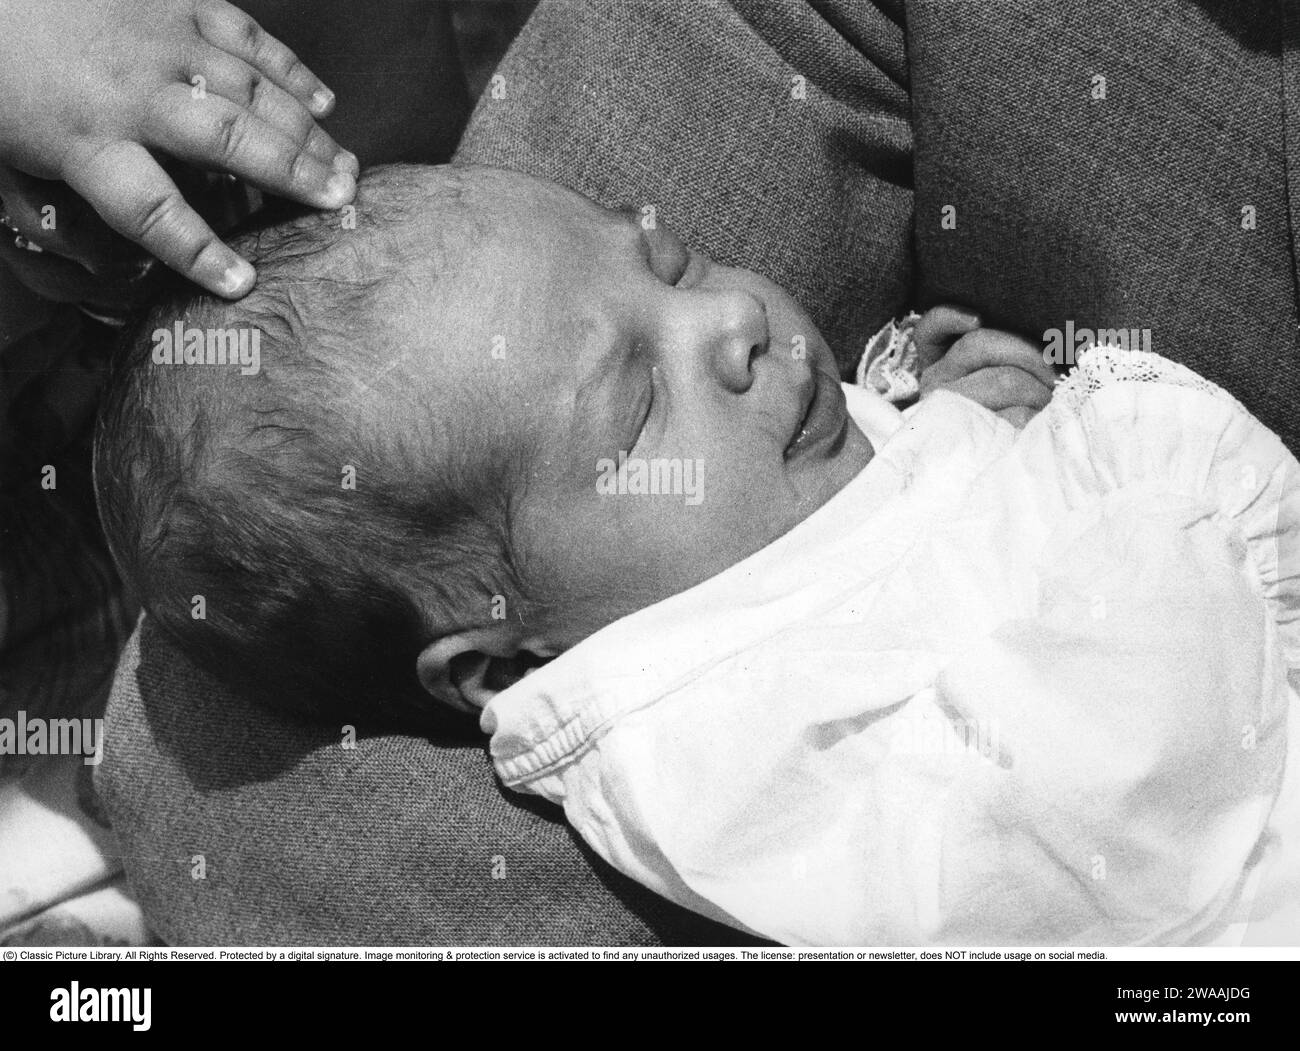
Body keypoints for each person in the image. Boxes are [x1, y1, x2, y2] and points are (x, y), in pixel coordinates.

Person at [94, 164, 1300, 944]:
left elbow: (892, 547)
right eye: (634, 410)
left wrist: (919, 407)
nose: (728, 321)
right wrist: (1105, 477)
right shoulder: (710, 749)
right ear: (502, 668)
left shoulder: (736, 508)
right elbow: (1068, 834)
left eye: (668, 262)